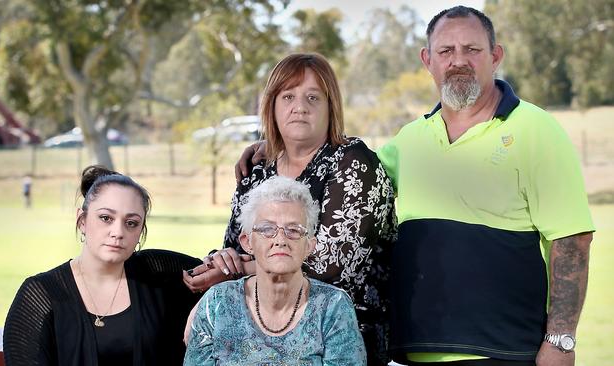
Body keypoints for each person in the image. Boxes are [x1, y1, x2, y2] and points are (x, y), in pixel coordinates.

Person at [235, 7, 594, 366]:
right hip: (413, 351)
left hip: (505, 351)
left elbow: (572, 240)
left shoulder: (537, 130)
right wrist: (280, 144)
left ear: (495, 56)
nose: (458, 61)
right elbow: (338, 172)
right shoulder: (408, 141)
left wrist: (561, 342)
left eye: (472, 49)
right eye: (445, 51)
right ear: (428, 60)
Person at [184, 52, 397, 365]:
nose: (300, 107)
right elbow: (238, 245)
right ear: (272, 105)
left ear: (330, 107)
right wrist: (219, 267)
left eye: (313, 97)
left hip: (340, 335)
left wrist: (239, 268)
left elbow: (330, 266)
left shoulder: (354, 162)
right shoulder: (256, 171)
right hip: (258, 335)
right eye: (288, 96)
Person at [3, 165, 202, 365]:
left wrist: (208, 295)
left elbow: (223, 276)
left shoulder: (161, 273)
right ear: (82, 220)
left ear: (141, 231)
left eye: (131, 223)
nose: (118, 232)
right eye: (106, 218)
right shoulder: (42, 295)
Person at [184, 176, 367, 365]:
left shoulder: (333, 305)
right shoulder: (217, 302)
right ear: (247, 242)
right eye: (266, 229)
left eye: (294, 230)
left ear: (309, 246)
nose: (280, 240)